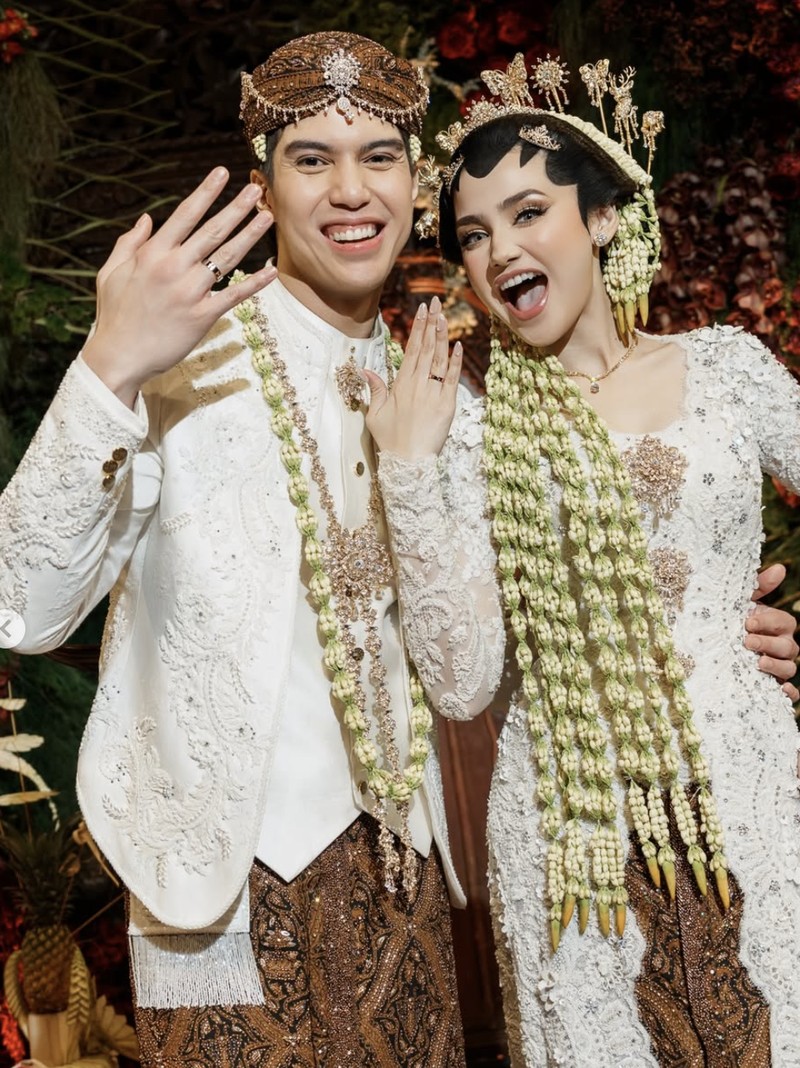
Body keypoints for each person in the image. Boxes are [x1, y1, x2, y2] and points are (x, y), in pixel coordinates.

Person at [0, 31, 506, 1068]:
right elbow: (21, 606)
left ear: (415, 183)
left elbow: (476, 667)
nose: (350, 190)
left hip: (405, 885)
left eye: (378, 157)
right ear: (265, 189)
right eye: (312, 159)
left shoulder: (441, 388)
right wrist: (107, 369)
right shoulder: (177, 358)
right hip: (213, 894)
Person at [365, 54, 800, 1066]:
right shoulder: (470, 432)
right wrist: (410, 472)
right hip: (572, 844)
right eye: (474, 234)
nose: (499, 250)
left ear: (601, 217)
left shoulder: (727, 370)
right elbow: (461, 681)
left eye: (527, 213)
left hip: (749, 800)